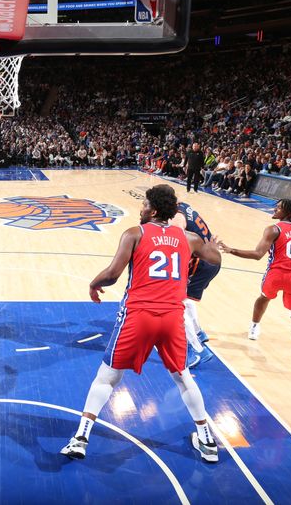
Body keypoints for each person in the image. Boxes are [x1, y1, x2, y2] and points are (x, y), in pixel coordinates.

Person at [61, 184, 222, 463]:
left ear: (154, 210)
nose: (141, 208)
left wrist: (93, 284)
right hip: (172, 317)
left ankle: (80, 438)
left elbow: (112, 274)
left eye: (144, 204)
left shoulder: (134, 233)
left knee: (108, 376)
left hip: (138, 315)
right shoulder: (189, 238)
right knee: (183, 377)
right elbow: (215, 259)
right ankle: (207, 441)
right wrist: (206, 257)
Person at [218, 199, 291, 372]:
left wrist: (232, 250)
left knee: (264, 298)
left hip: (275, 275)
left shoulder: (273, 229)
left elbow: (257, 254)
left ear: (288, 212)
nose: (275, 208)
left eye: (279, 207)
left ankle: (254, 327)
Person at [171, 201, 220, 368]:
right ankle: (199, 333)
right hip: (211, 257)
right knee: (185, 298)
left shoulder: (177, 215)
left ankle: (197, 350)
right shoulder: (183, 206)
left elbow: (176, 238)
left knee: (176, 302)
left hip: (201, 261)